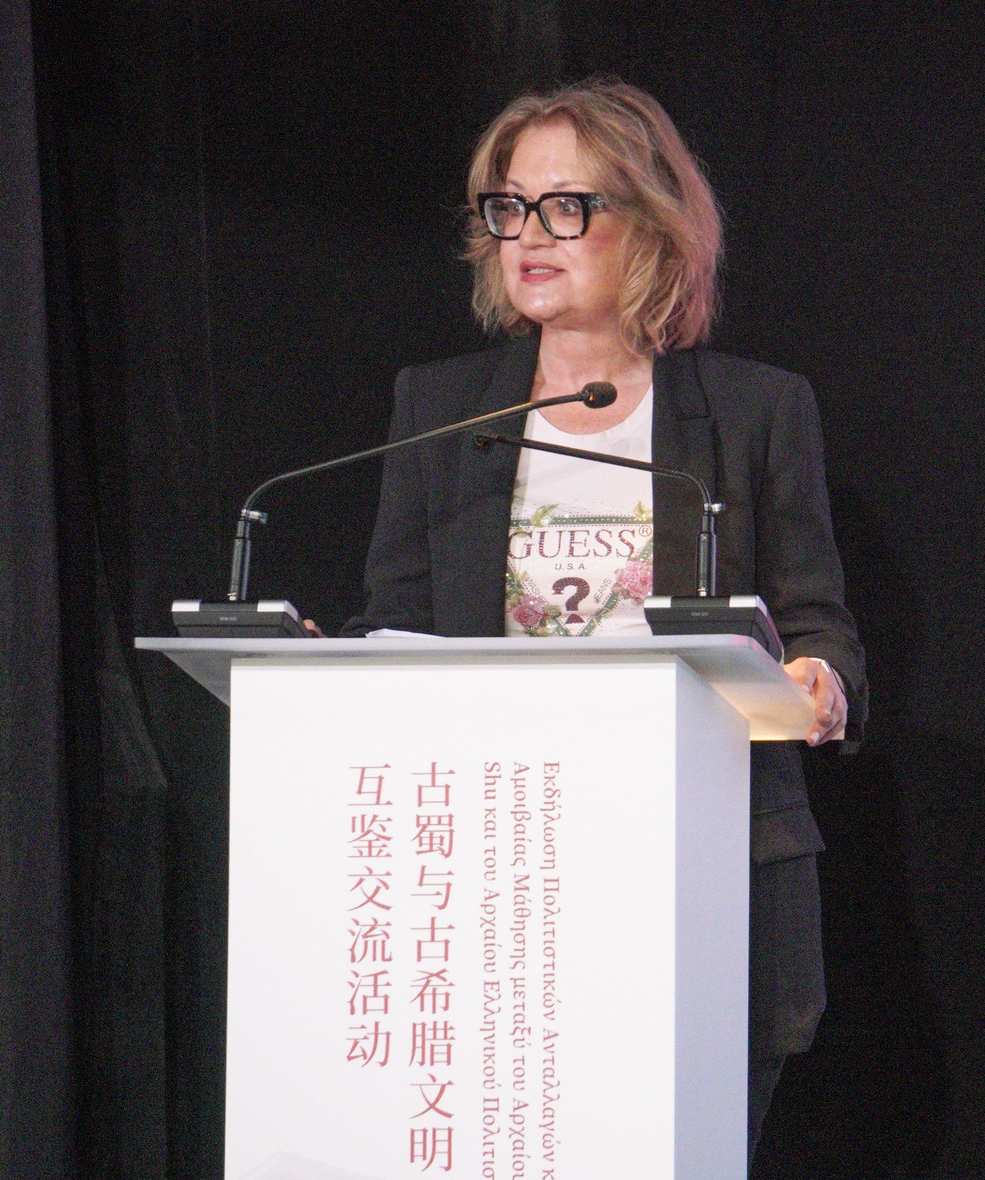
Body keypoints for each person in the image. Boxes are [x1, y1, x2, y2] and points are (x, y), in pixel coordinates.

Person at [341, 76, 867, 1164]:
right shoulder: (438, 409)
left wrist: (818, 682)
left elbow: (819, 626)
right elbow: (394, 624)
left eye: (567, 206)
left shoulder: (756, 412)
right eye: (509, 206)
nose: (529, 236)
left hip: (704, 872)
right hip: (503, 874)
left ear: (653, 225)